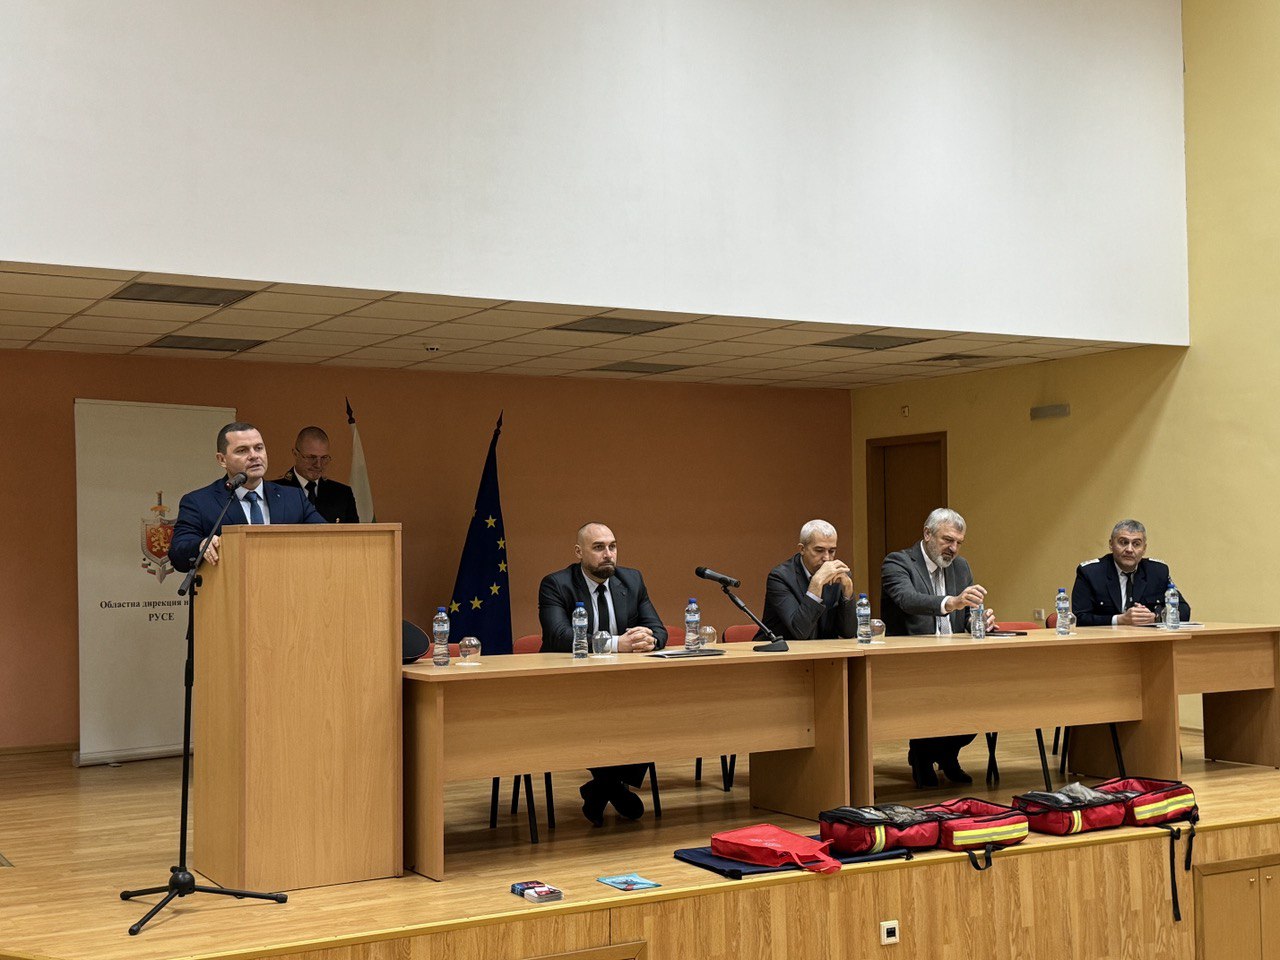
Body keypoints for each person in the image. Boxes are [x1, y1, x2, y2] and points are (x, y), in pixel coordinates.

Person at [537, 522, 667, 826]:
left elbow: (659, 629)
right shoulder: (556, 584)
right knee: (603, 715)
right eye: (598, 547)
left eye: (612, 546)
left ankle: (601, 788)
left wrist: (648, 639)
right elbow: (558, 636)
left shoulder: (631, 580)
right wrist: (617, 644)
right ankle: (612, 787)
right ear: (579, 552)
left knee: (652, 709)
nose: (608, 554)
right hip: (568, 683)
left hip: (621, 683)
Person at [879, 507, 996, 788]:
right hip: (911, 660)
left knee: (983, 701)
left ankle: (947, 755)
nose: (953, 548)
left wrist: (979, 621)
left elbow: (965, 617)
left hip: (955, 659)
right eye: (947, 540)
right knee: (931, 702)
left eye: (958, 542)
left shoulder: (961, 567)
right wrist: (952, 602)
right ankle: (921, 756)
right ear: (927, 534)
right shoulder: (898, 562)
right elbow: (907, 599)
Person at [169, 422, 326, 573]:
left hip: (287, 586)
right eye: (242, 450)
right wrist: (200, 545)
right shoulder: (199, 502)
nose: (254, 456)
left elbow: (328, 539)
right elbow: (178, 554)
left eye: (259, 448)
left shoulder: (293, 497)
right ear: (222, 460)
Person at [1071, 519, 1191, 626]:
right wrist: (1120, 620)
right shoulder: (1090, 573)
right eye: (1123, 542)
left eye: (1136, 544)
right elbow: (1080, 618)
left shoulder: (1157, 571)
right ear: (1111, 544)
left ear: (1144, 549)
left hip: (1147, 640)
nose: (1129, 549)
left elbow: (1184, 610)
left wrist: (1156, 617)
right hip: (1105, 640)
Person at [758, 519, 857, 641]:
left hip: (823, 650)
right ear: (802, 549)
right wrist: (817, 582)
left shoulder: (839, 576)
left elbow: (848, 633)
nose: (827, 558)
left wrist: (848, 593)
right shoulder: (780, 577)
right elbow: (800, 632)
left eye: (832, 551)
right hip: (780, 649)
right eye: (819, 550)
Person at [273, 426, 359, 524]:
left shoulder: (342, 494)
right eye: (311, 457)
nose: (318, 465)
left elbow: (354, 533)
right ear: (295, 454)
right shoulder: (275, 491)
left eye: (324, 458)